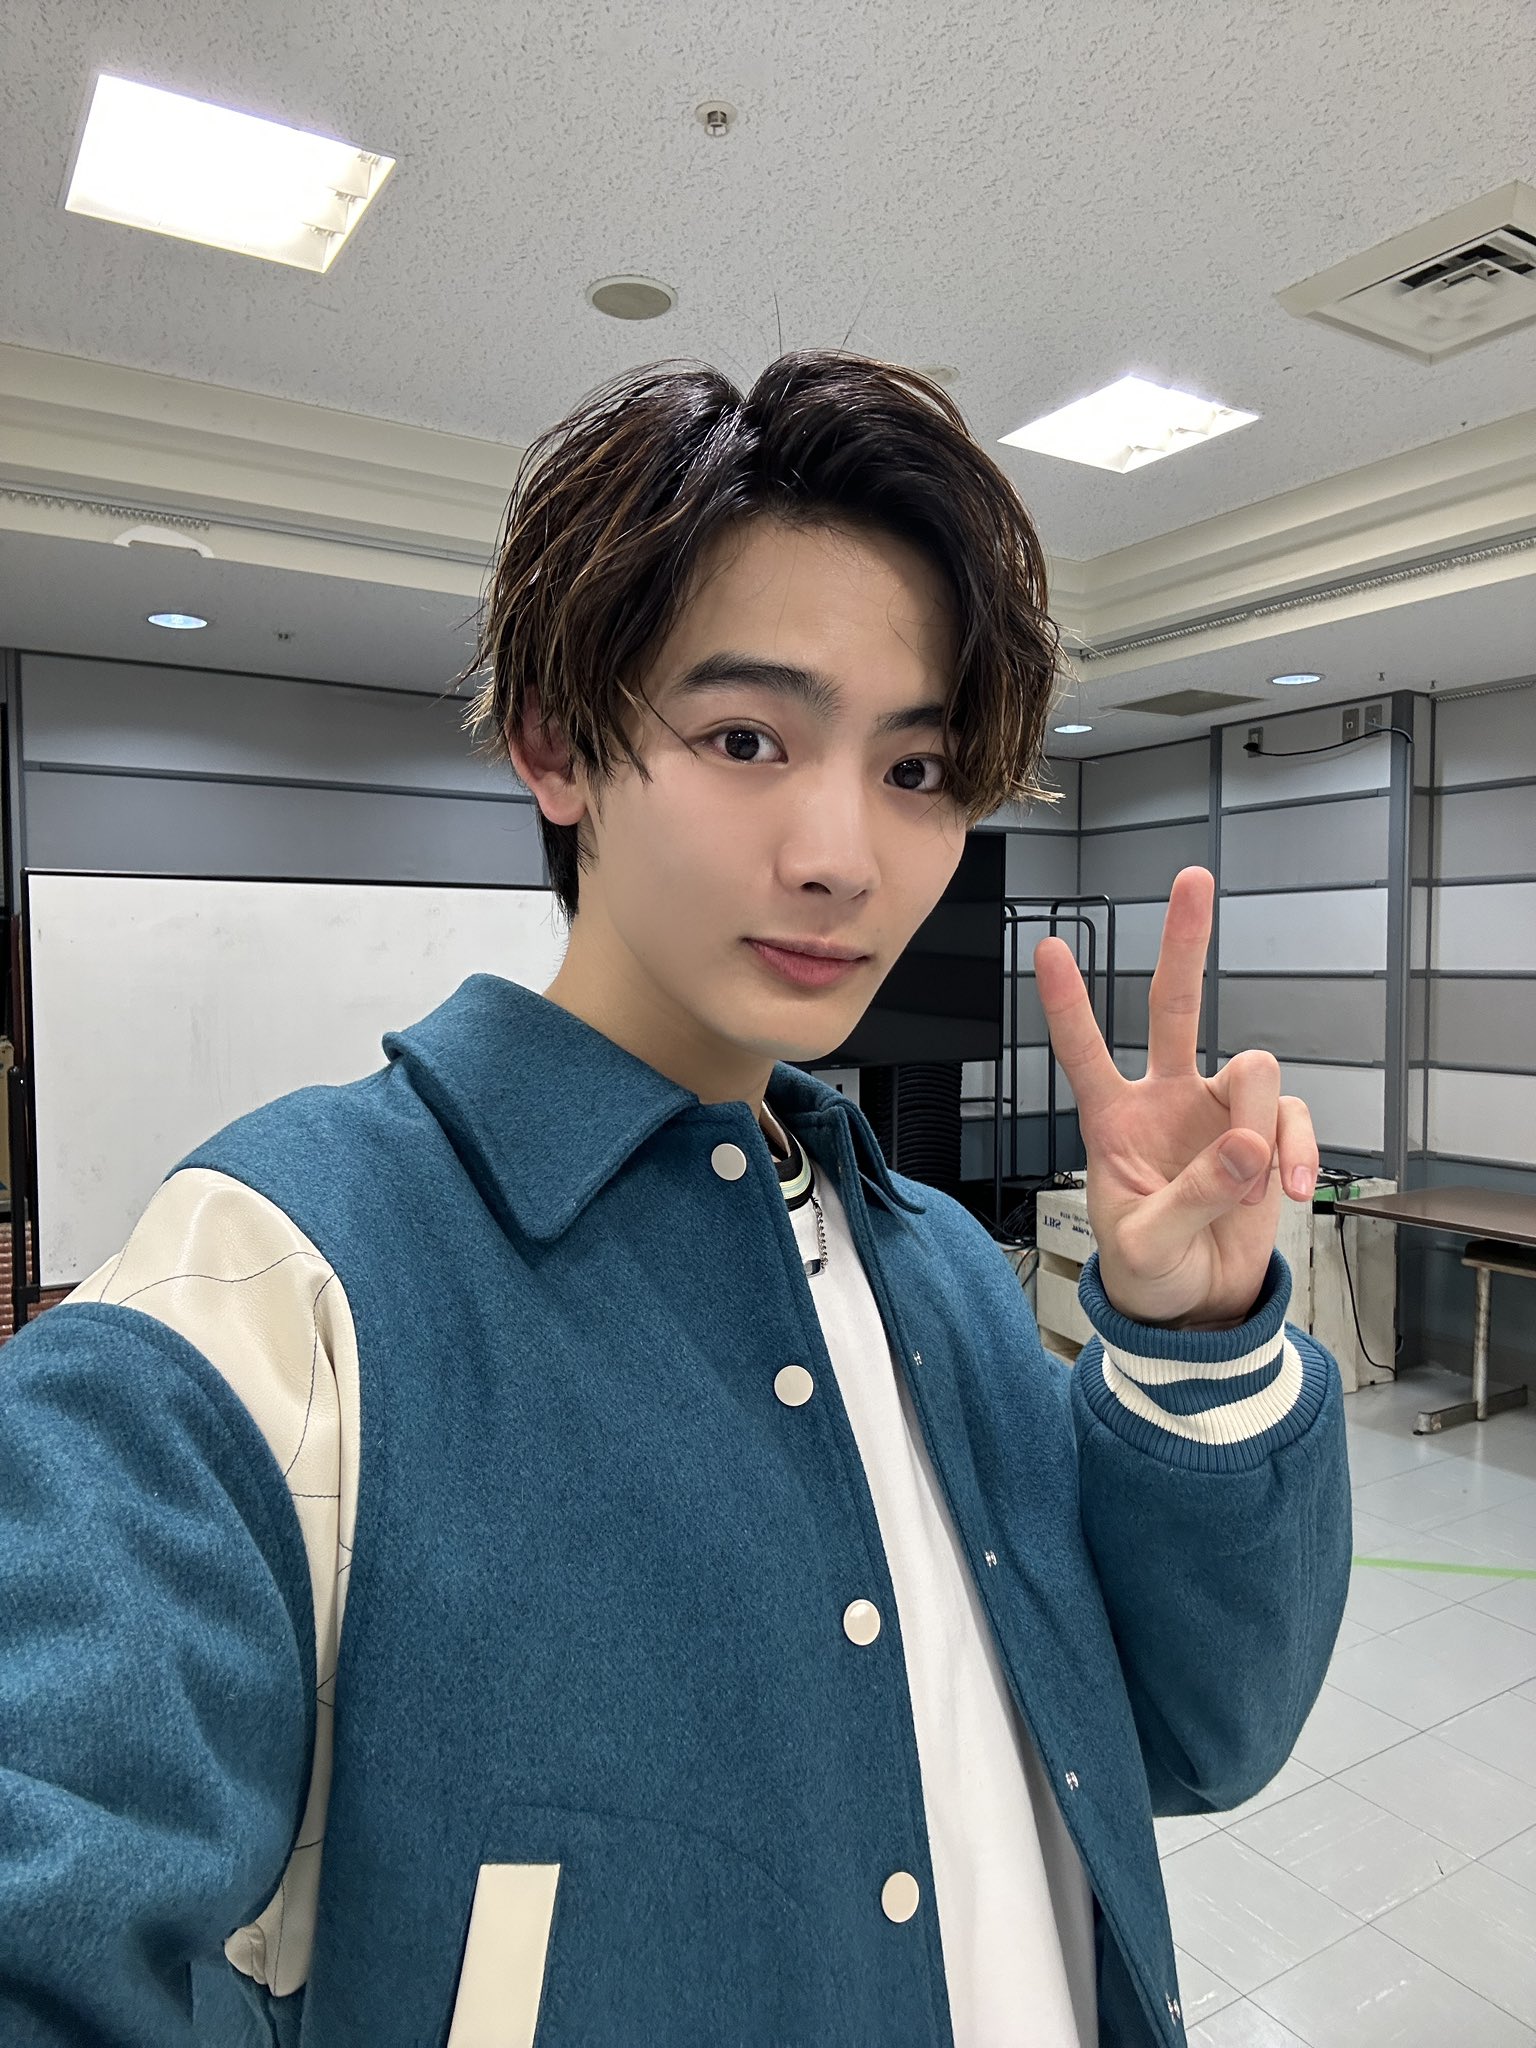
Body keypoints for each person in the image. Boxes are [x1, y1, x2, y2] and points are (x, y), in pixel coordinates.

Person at [0, 351, 1350, 2048]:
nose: (843, 854)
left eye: (916, 770)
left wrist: (1198, 1337)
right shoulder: (283, 1281)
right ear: (556, 745)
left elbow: (1199, 1737)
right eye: (745, 738)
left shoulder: (939, 1269)